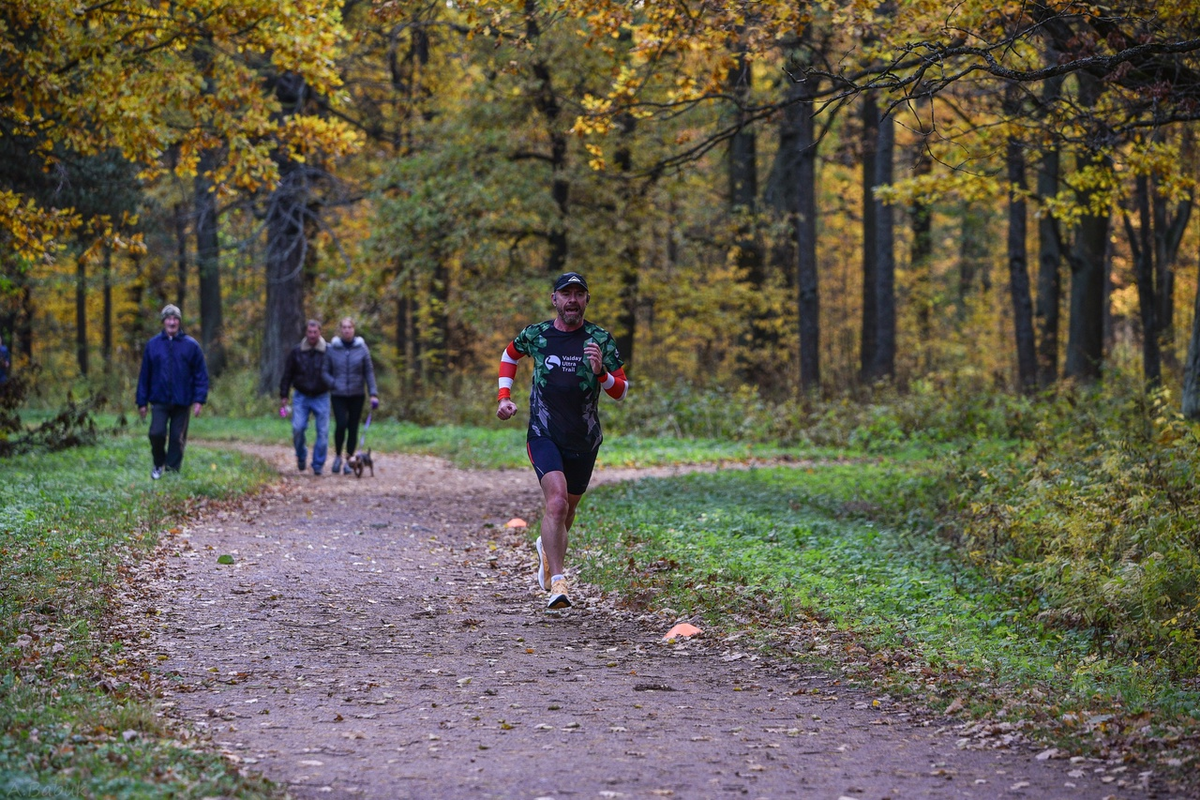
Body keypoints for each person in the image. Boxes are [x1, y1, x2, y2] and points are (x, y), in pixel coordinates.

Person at [496, 272, 629, 609]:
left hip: (584, 439)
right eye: (565, 293)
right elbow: (509, 355)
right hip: (544, 432)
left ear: (586, 300)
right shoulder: (537, 335)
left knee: (566, 511)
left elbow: (621, 391)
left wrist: (602, 372)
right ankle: (559, 583)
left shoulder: (600, 339)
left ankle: (546, 546)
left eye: (579, 294)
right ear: (554, 299)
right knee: (556, 503)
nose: (572, 300)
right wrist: (503, 396)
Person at [136, 304, 209, 480]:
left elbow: (201, 375)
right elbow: (145, 374)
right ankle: (158, 463)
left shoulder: (191, 346)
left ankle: (172, 472)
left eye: (175, 318)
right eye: (169, 318)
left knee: (177, 438)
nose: (172, 322)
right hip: (159, 398)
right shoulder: (153, 345)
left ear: (179, 322)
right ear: (163, 321)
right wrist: (141, 401)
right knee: (156, 432)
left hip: (182, 400)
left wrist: (199, 400)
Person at [280, 319, 335, 475]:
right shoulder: (296, 352)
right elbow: (287, 374)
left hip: (322, 396)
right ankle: (301, 455)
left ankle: (318, 464)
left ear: (320, 332)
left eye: (315, 332)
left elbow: (335, 372)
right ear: (306, 333)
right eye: (309, 332)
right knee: (298, 428)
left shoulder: (328, 351)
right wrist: (284, 394)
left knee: (323, 433)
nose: (312, 335)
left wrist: (335, 387)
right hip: (301, 396)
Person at [328, 317, 379, 476]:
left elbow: (368, 372)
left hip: (357, 394)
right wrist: (332, 383)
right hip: (338, 394)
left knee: (353, 427)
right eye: (344, 327)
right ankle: (337, 456)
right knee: (341, 424)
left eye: (349, 327)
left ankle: (349, 460)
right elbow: (325, 369)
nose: (347, 330)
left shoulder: (362, 348)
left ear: (354, 329)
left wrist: (373, 393)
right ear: (340, 330)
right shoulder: (333, 348)